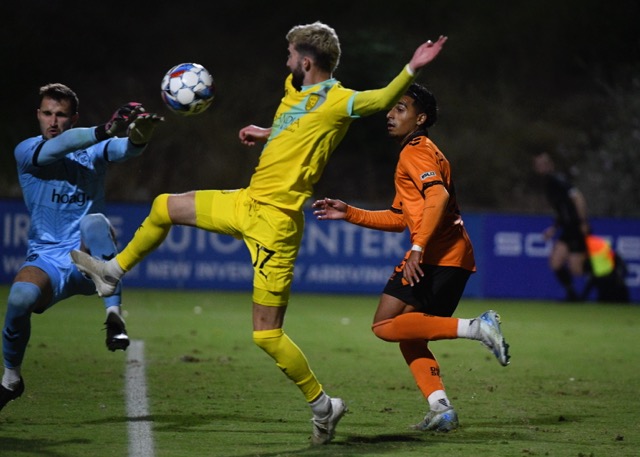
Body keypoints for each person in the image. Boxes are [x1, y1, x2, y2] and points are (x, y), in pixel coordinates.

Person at [71, 22, 448, 445]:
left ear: (306, 61)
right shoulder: (294, 90)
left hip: (276, 225)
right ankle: (113, 272)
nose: (285, 61)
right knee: (164, 206)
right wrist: (266, 133)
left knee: (266, 334)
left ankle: (323, 405)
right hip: (247, 202)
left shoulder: (338, 101)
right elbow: (297, 128)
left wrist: (412, 66)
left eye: (290, 54)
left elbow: (378, 100)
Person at [312, 83, 510, 432]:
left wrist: (418, 248)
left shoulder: (415, 151)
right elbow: (400, 217)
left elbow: (438, 197)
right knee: (410, 335)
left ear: (420, 118)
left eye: (400, 108)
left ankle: (477, 328)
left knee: (384, 325)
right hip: (452, 256)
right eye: (390, 108)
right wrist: (351, 212)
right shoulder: (422, 150)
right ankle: (441, 408)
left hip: (437, 255)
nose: (390, 114)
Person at [0, 83, 162, 412]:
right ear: (38, 115)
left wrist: (139, 135)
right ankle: (10, 379)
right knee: (19, 299)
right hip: (47, 258)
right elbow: (58, 148)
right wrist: (104, 129)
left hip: (88, 258)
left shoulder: (92, 151)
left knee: (95, 222)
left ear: (73, 118)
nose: (53, 121)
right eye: (47, 113)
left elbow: (125, 150)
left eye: (61, 115)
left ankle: (114, 318)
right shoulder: (27, 151)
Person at [533, 151, 589, 301]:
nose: (541, 167)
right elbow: (562, 209)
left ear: (550, 165)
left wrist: (583, 222)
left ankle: (603, 279)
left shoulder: (558, 179)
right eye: (538, 164)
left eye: (544, 164)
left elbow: (577, 197)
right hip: (567, 229)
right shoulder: (548, 184)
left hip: (576, 228)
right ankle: (572, 295)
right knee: (555, 262)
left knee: (576, 269)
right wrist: (554, 228)